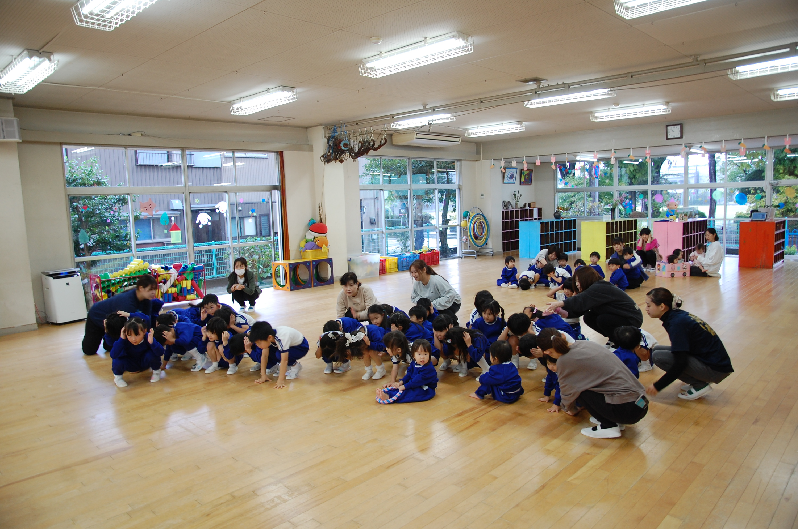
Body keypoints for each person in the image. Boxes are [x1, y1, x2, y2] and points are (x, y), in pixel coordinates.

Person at [537, 327, 649, 439]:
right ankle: (612, 420)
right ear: (563, 336)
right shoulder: (584, 344)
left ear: (547, 352)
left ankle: (608, 426)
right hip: (641, 403)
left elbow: (567, 391)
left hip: (627, 410)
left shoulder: (564, 361)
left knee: (580, 389)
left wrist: (570, 409)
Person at [644, 288, 733, 400]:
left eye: (649, 305)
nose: (646, 308)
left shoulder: (676, 324)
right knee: (656, 350)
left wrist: (658, 386)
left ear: (662, 306)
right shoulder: (676, 315)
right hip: (712, 362)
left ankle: (699, 385)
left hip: (716, 370)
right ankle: (698, 380)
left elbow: (680, 363)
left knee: (658, 356)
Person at [546, 266, 643, 341]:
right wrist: (560, 312)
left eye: (578, 281)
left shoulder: (599, 287)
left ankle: (618, 340)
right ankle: (614, 338)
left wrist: (559, 304)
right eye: (575, 281)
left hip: (632, 318)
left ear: (586, 279)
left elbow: (580, 299)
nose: (576, 284)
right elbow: (579, 310)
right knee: (589, 317)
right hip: (619, 315)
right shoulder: (593, 289)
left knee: (602, 319)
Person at [82, 275, 158, 355]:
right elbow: (128, 326)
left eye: (155, 289)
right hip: (97, 317)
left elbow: (147, 321)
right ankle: (106, 334)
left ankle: (107, 337)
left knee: (111, 346)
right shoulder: (127, 302)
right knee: (89, 351)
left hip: (113, 322)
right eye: (150, 289)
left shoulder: (147, 300)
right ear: (141, 288)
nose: (153, 292)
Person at [250, 321, 309, 388]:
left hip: (301, 347)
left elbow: (284, 360)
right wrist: (263, 375)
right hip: (290, 346)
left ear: (269, 337)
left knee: (279, 355)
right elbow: (264, 356)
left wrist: (280, 380)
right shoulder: (268, 336)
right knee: (269, 351)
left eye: (259, 343)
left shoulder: (282, 337)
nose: (257, 345)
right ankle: (285, 368)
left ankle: (295, 366)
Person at [376, 339, 438, 404]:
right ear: (413, 355)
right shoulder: (414, 363)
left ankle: (389, 396)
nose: (422, 357)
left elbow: (417, 381)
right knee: (399, 388)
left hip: (426, 389)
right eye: (419, 354)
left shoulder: (428, 369)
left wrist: (404, 386)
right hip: (414, 384)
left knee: (409, 393)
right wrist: (401, 382)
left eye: (425, 354)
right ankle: (388, 393)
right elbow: (409, 374)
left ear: (429, 355)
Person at [110, 318, 164, 388]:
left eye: (137, 335)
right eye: (129, 335)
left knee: (152, 354)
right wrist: (121, 340)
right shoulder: (123, 340)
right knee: (117, 360)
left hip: (144, 363)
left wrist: (152, 343)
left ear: (144, 331)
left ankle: (156, 373)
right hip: (130, 364)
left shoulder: (148, 337)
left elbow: (160, 353)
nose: (133, 339)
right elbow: (113, 355)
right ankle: (118, 378)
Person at [409, 259, 462, 326]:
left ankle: (453, 323)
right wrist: (424, 304)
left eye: (415, 272)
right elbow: (414, 297)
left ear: (424, 270)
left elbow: (451, 295)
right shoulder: (417, 283)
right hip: (432, 304)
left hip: (452, 302)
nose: (413, 275)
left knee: (441, 316)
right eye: (412, 272)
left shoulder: (436, 280)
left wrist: (432, 304)